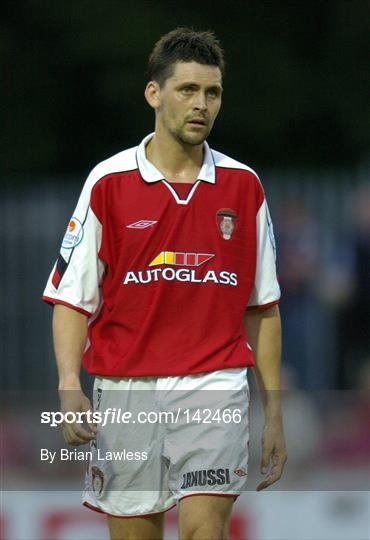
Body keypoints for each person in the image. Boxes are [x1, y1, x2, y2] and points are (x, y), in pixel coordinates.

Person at [43, 27, 287, 540]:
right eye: (188, 90)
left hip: (214, 386)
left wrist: (274, 415)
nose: (201, 104)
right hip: (126, 389)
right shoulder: (108, 183)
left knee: (204, 529)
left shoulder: (244, 187)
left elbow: (262, 307)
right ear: (155, 94)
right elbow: (72, 298)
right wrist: (69, 384)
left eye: (212, 92)